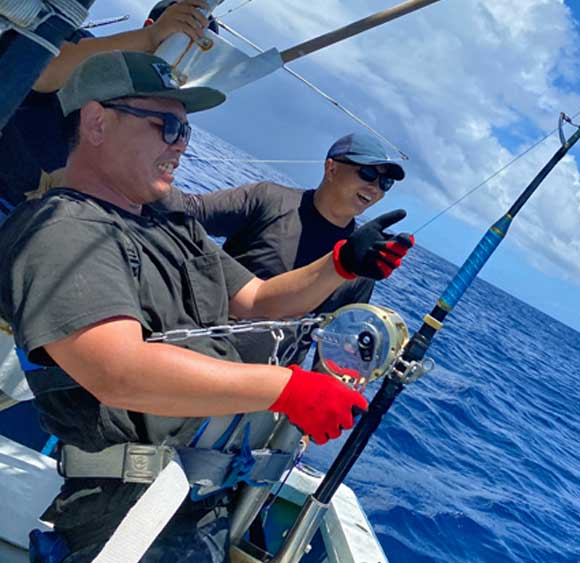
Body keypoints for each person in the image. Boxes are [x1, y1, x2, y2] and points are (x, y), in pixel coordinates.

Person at [0, 50, 412, 561]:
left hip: (201, 489)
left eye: (186, 132)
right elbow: (117, 371)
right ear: (97, 121)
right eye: (167, 126)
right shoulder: (61, 229)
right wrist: (287, 388)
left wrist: (342, 265)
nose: (180, 146)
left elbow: (257, 300)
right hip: (128, 505)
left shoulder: (169, 221)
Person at [156, 131, 411, 365]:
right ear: (331, 168)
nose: (375, 187)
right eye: (367, 174)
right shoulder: (268, 198)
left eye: (385, 183)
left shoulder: (361, 260)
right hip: (194, 348)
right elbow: (189, 210)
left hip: (262, 386)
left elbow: (335, 351)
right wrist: (142, 177)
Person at [0, 0, 214, 208]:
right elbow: (40, 70)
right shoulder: (85, 51)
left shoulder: (169, 109)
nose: (184, 57)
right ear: (152, 26)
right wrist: (149, 38)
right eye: (182, 39)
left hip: (39, 218)